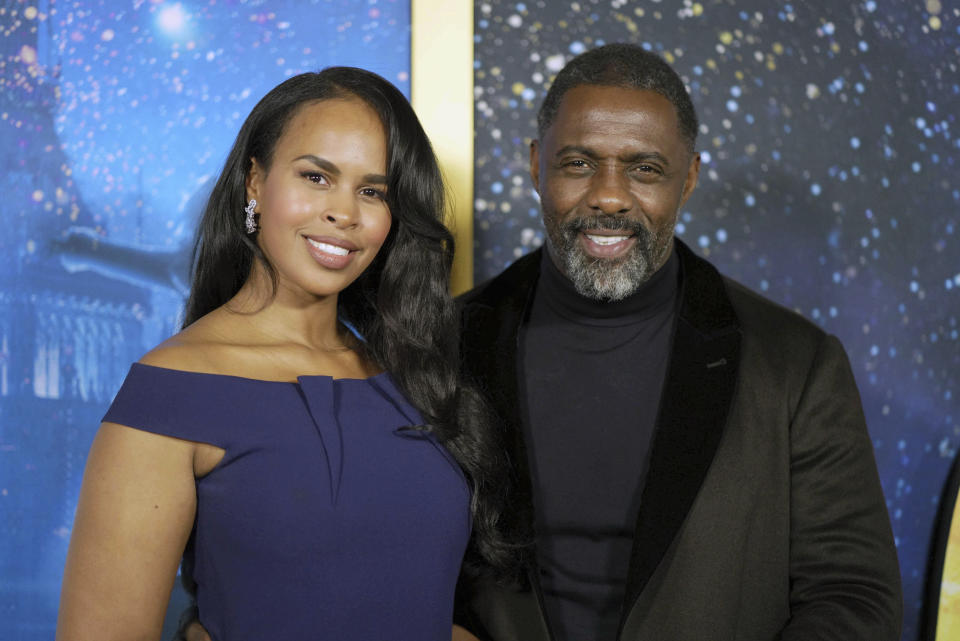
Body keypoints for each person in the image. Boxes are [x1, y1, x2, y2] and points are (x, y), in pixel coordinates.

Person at [453, 43, 902, 640]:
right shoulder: (446, 343)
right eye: (579, 164)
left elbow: (854, 594)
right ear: (537, 166)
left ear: (688, 177)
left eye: (644, 169)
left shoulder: (796, 364)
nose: (609, 197)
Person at [56, 67, 509, 641]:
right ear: (254, 181)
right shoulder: (173, 389)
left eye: (372, 191)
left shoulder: (411, 378)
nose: (344, 212)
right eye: (317, 177)